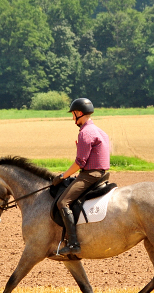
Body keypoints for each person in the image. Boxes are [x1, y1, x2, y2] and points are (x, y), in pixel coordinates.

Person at [51, 97, 111, 255]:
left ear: (79, 113)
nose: (72, 118)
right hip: (101, 173)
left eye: (73, 114)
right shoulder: (99, 131)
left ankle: (73, 243)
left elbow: (79, 163)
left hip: (90, 175)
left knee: (63, 202)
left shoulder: (85, 132)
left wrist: (62, 176)